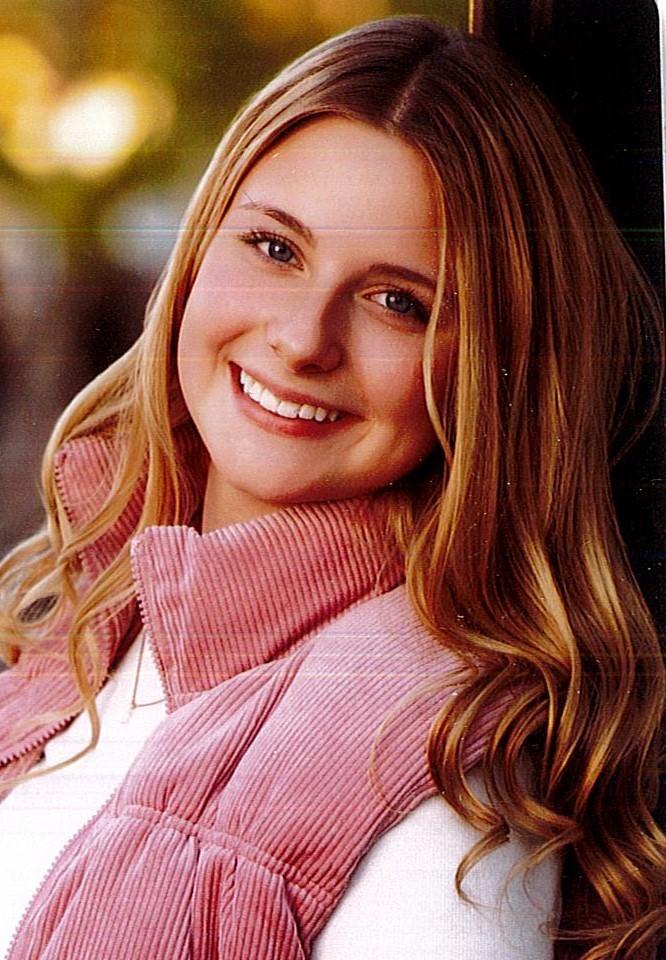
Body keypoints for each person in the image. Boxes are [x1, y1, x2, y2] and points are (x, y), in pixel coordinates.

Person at [0, 14, 663, 960]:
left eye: (398, 302)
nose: (304, 338)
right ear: (198, 251)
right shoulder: (83, 623)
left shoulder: (442, 790)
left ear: (487, 371)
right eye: (275, 248)